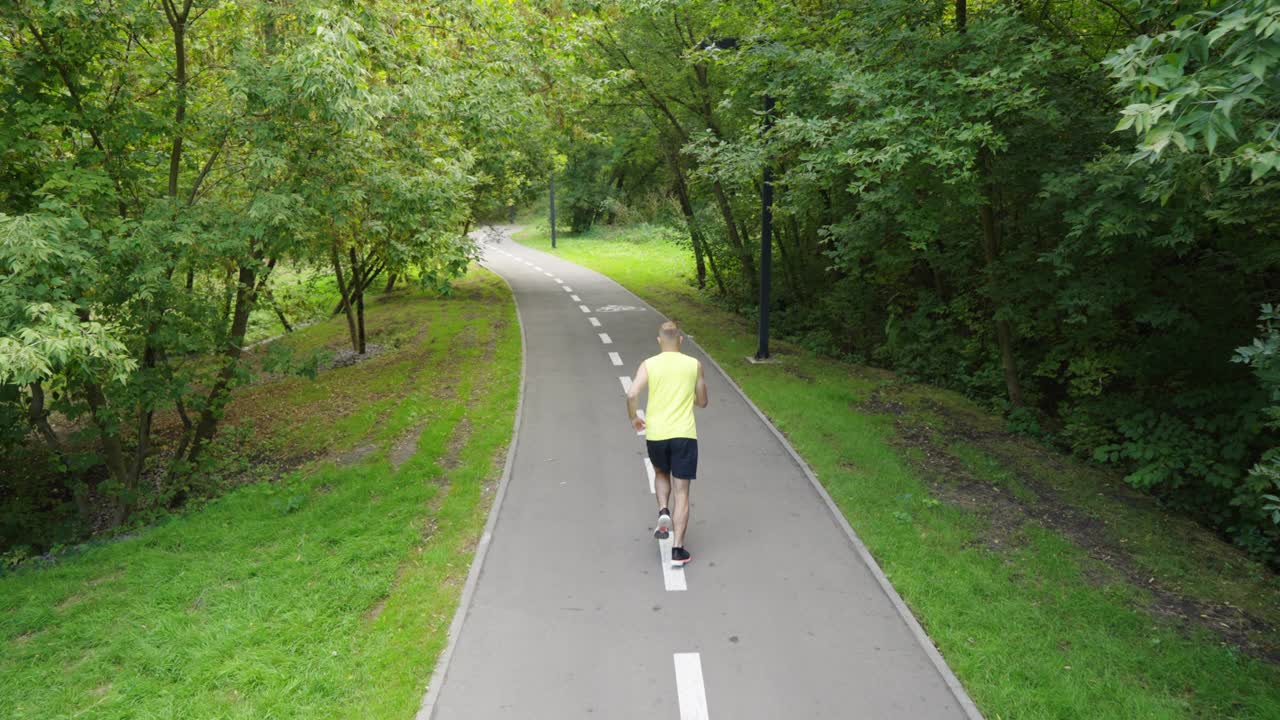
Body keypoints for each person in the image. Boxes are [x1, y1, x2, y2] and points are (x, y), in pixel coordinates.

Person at [626, 321, 709, 567]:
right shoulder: (694, 365)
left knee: (661, 472)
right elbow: (703, 401)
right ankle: (677, 549)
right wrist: (687, 394)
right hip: (684, 434)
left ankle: (663, 510)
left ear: (659, 341)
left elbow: (632, 394)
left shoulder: (649, 364)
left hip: (657, 434)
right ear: (681, 341)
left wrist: (634, 418)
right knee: (682, 491)